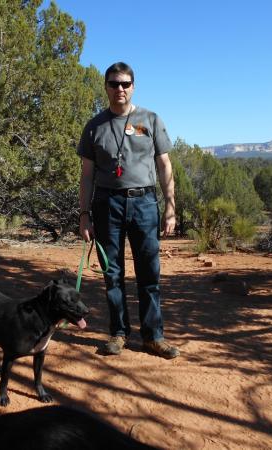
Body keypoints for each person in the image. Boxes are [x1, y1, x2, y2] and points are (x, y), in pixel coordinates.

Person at [77, 62, 180, 359]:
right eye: (113, 84)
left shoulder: (150, 119)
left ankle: (153, 337)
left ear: (133, 86)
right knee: (113, 273)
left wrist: (170, 208)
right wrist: (84, 214)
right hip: (106, 204)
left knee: (149, 273)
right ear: (106, 87)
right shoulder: (94, 126)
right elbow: (86, 175)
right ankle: (119, 333)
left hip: (145, 203)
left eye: (125, 83)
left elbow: (164, 165)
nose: (119, 89)